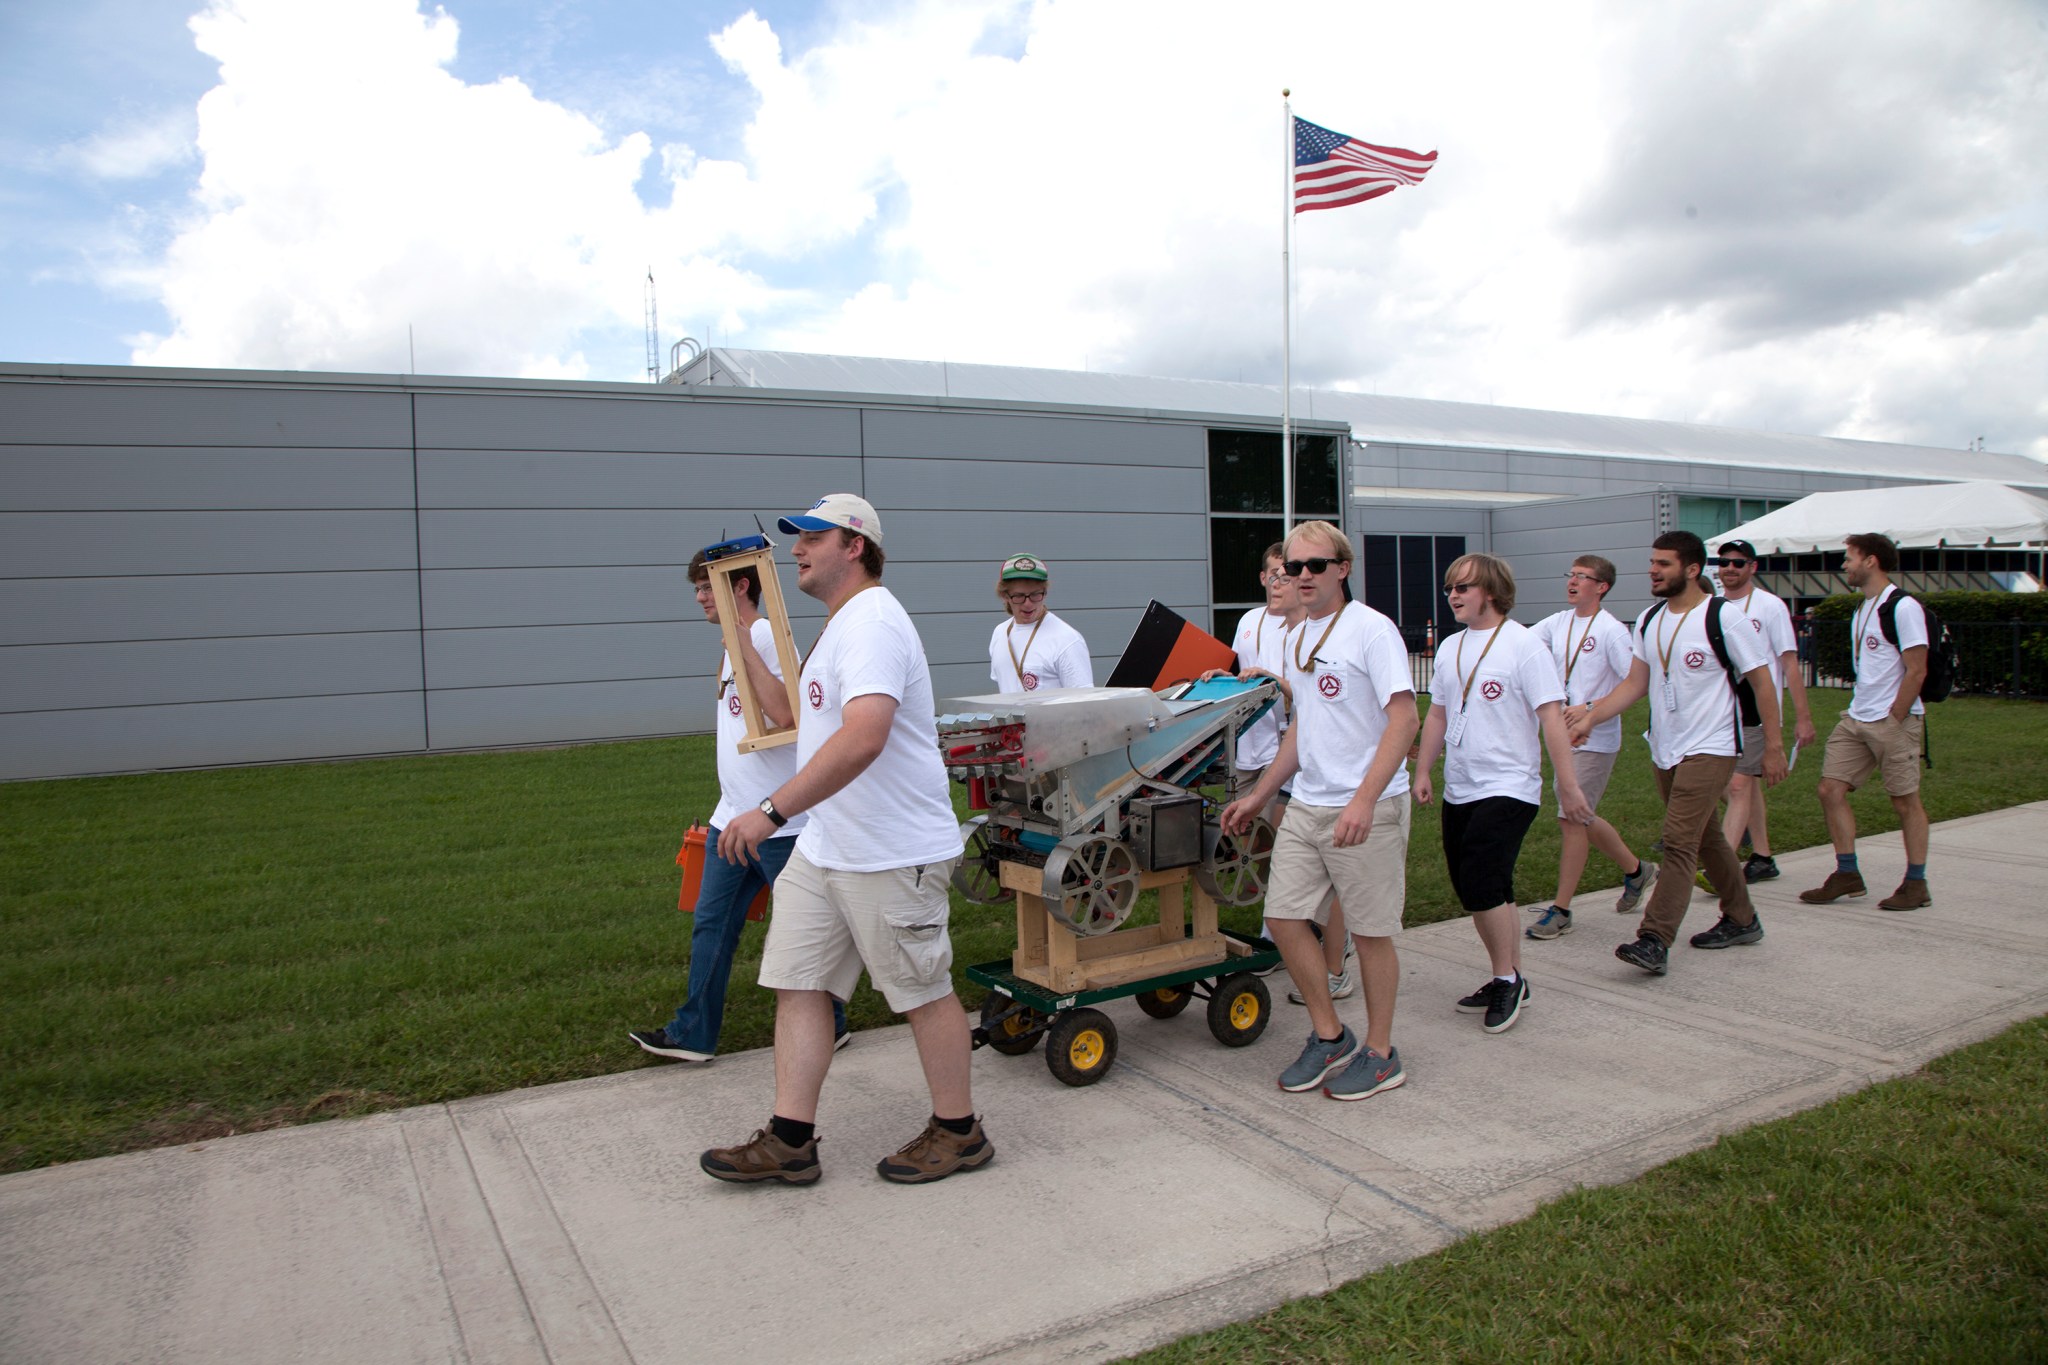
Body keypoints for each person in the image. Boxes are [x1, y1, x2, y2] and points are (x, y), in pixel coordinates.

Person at [700, 494, 991, 1186]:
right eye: (796, 539)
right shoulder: (838, 627)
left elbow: (865, 735)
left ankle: (961, 1131)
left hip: (890, 851)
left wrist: (770, 810)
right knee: (798, 982)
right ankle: (791, 1139)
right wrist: (743, 633)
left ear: (854, 545)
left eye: (811, 537)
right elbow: (802, 721)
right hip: (827, 845)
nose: (796, 549)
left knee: (923, 990)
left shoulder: (873, 622)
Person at [1220, 521, 1417, 1100]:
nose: (1301, 577)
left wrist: (1363, 798)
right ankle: (1329, 1035)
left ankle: (1382, 1053)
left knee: (1372, 932)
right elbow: (1304, 726)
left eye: (1314, 566)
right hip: (1308, 802)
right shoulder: (1300, 633)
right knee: (1282, 920)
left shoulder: (1371, 631)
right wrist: (1259, 795)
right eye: (1292, 568)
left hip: (1368, 807)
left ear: (1341, 569)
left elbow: (1404, 719)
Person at [630, 551, 847, 1062]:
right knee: (711, 924)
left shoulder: (767, 638)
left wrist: (744, 647)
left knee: (801, 934)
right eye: (698, 590)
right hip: (732, 818)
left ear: (741, 587)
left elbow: (785, 713)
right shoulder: (734, 645)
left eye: (709, 587)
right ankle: (693, 1034)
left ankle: (832, 1024)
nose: (701, 598)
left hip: (781, 822)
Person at [1569, 532, 1787, 976]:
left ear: (1691, 569)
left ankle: (1654, 938)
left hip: (1713, 746)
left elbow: (1763, 682)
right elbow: (1634, 684)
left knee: (1679, 841)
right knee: (1706, 837)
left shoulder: (1723, 619)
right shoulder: (1650, 620)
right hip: (1666, 747)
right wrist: (1592, 716)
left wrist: (1775, 746)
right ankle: (1742, 918)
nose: (1653, 570)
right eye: (1652, 562)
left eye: (1663, 564)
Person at [1414, 554, 1593, 1032]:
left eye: (1464, 587)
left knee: (1480, 882)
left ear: (1491, 592)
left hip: (1509, 786)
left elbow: (1552, 717)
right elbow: (1438, 714)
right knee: (1490, 886)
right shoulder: (1451, 647)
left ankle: (1504, 979)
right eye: (1450, 585)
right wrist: (1425, 770)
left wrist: (1568, 786)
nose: (1453, 594)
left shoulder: (1524, 646)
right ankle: (1511, 976)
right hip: (1462, 787)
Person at [1214, 544, 1355, 997]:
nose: (1279, 583)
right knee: (1284, 861)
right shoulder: (1289, 635)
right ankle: (1294, 944)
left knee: (1330, 873)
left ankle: (1336, 965)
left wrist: (1278, 686)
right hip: (1287, 761)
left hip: (1328, 775)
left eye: (1288, 575)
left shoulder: (1325, 635)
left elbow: (1322, 708)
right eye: (1276, 575)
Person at [1524, 555, 1659, 941]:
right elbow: (1523, 643)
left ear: (1601, 587)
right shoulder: (1559, 622)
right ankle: (1637, 871)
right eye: (1571, 575)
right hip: (1564, 735)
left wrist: (1590, 710)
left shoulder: (1612, 632)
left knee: (1571, 818)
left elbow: (1634, 683)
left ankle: (1562, 908)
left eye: (1583, 577)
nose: (1573, 582)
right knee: (1579, 814)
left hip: (1594, 738)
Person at [1800, 532, 1933, 911]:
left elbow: (1916, 670)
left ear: (1871, 561)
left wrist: (1894, 718)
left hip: (1894, 720)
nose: (1844, 565)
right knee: (1829, 790)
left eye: (1849, 558)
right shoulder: (1863, 608)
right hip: (1857, 717)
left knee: (1905, 801)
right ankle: (1847, 873)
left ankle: (1916, 883)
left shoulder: (1902, 607)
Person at [1714, 538, 1817, 883]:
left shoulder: (1770, 607)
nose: (1730, 568)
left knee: (1741, 785)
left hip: (1758, 712)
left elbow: (1789, 663)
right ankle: (1763, 855)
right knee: (1744, 785)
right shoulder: (1713, 608)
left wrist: (1803, 719)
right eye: (1724, 561)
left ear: (1752, 567)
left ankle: (1722, 870)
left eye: (1738, 562)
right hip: (1722, 711)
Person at [988, 554, 1093, 693]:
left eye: (1035, 594)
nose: (1028, 603)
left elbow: (1084, 701)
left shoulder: (1067, 639)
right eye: (1019, 596)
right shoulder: (1000, 633)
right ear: (1005, 596)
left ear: (1045, 592)